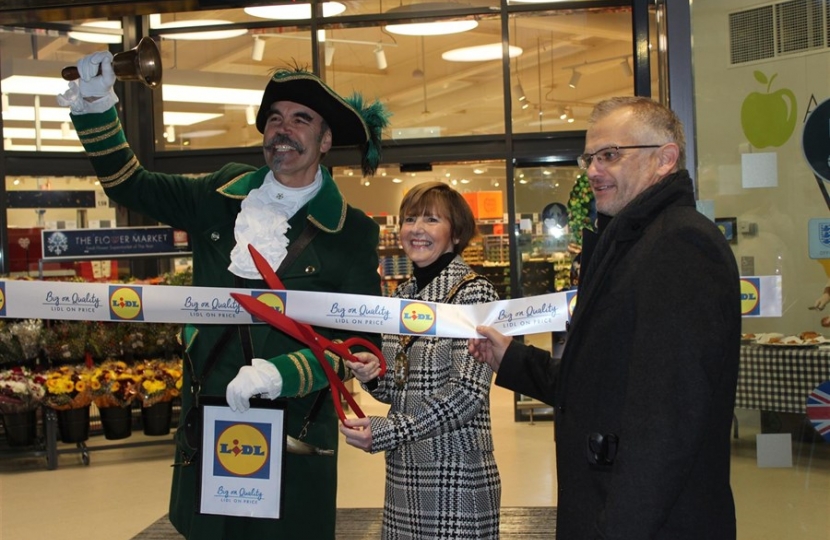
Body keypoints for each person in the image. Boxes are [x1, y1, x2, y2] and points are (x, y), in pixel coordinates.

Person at [58, 53, 389, 539]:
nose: (283, 129)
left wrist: (281, 374)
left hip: (297, 424)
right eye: (274, 117)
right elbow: (129, 184)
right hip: (209, 414)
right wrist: (96, 105)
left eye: (301, 120)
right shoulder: (219, 193)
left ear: (324, 140)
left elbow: (360, 345)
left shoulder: (352, 231)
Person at [469, 97, 741, 540]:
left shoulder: (681, 246)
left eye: (610, 155)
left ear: (664, 159)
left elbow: (667, 422)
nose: (593, 171)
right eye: (589, 158)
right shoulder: (630, 244)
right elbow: (597, 383)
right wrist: (512, 359)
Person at [340, 182, 502, 539]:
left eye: (432, 219)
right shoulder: (402, 295)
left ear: (455, 233)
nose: (416, 229)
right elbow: (395, 389)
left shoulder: (475, 292)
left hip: (456, 474)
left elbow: (466, 396)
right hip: (403, 472)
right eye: (410, 218)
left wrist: (387, 431)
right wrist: (373, 374)